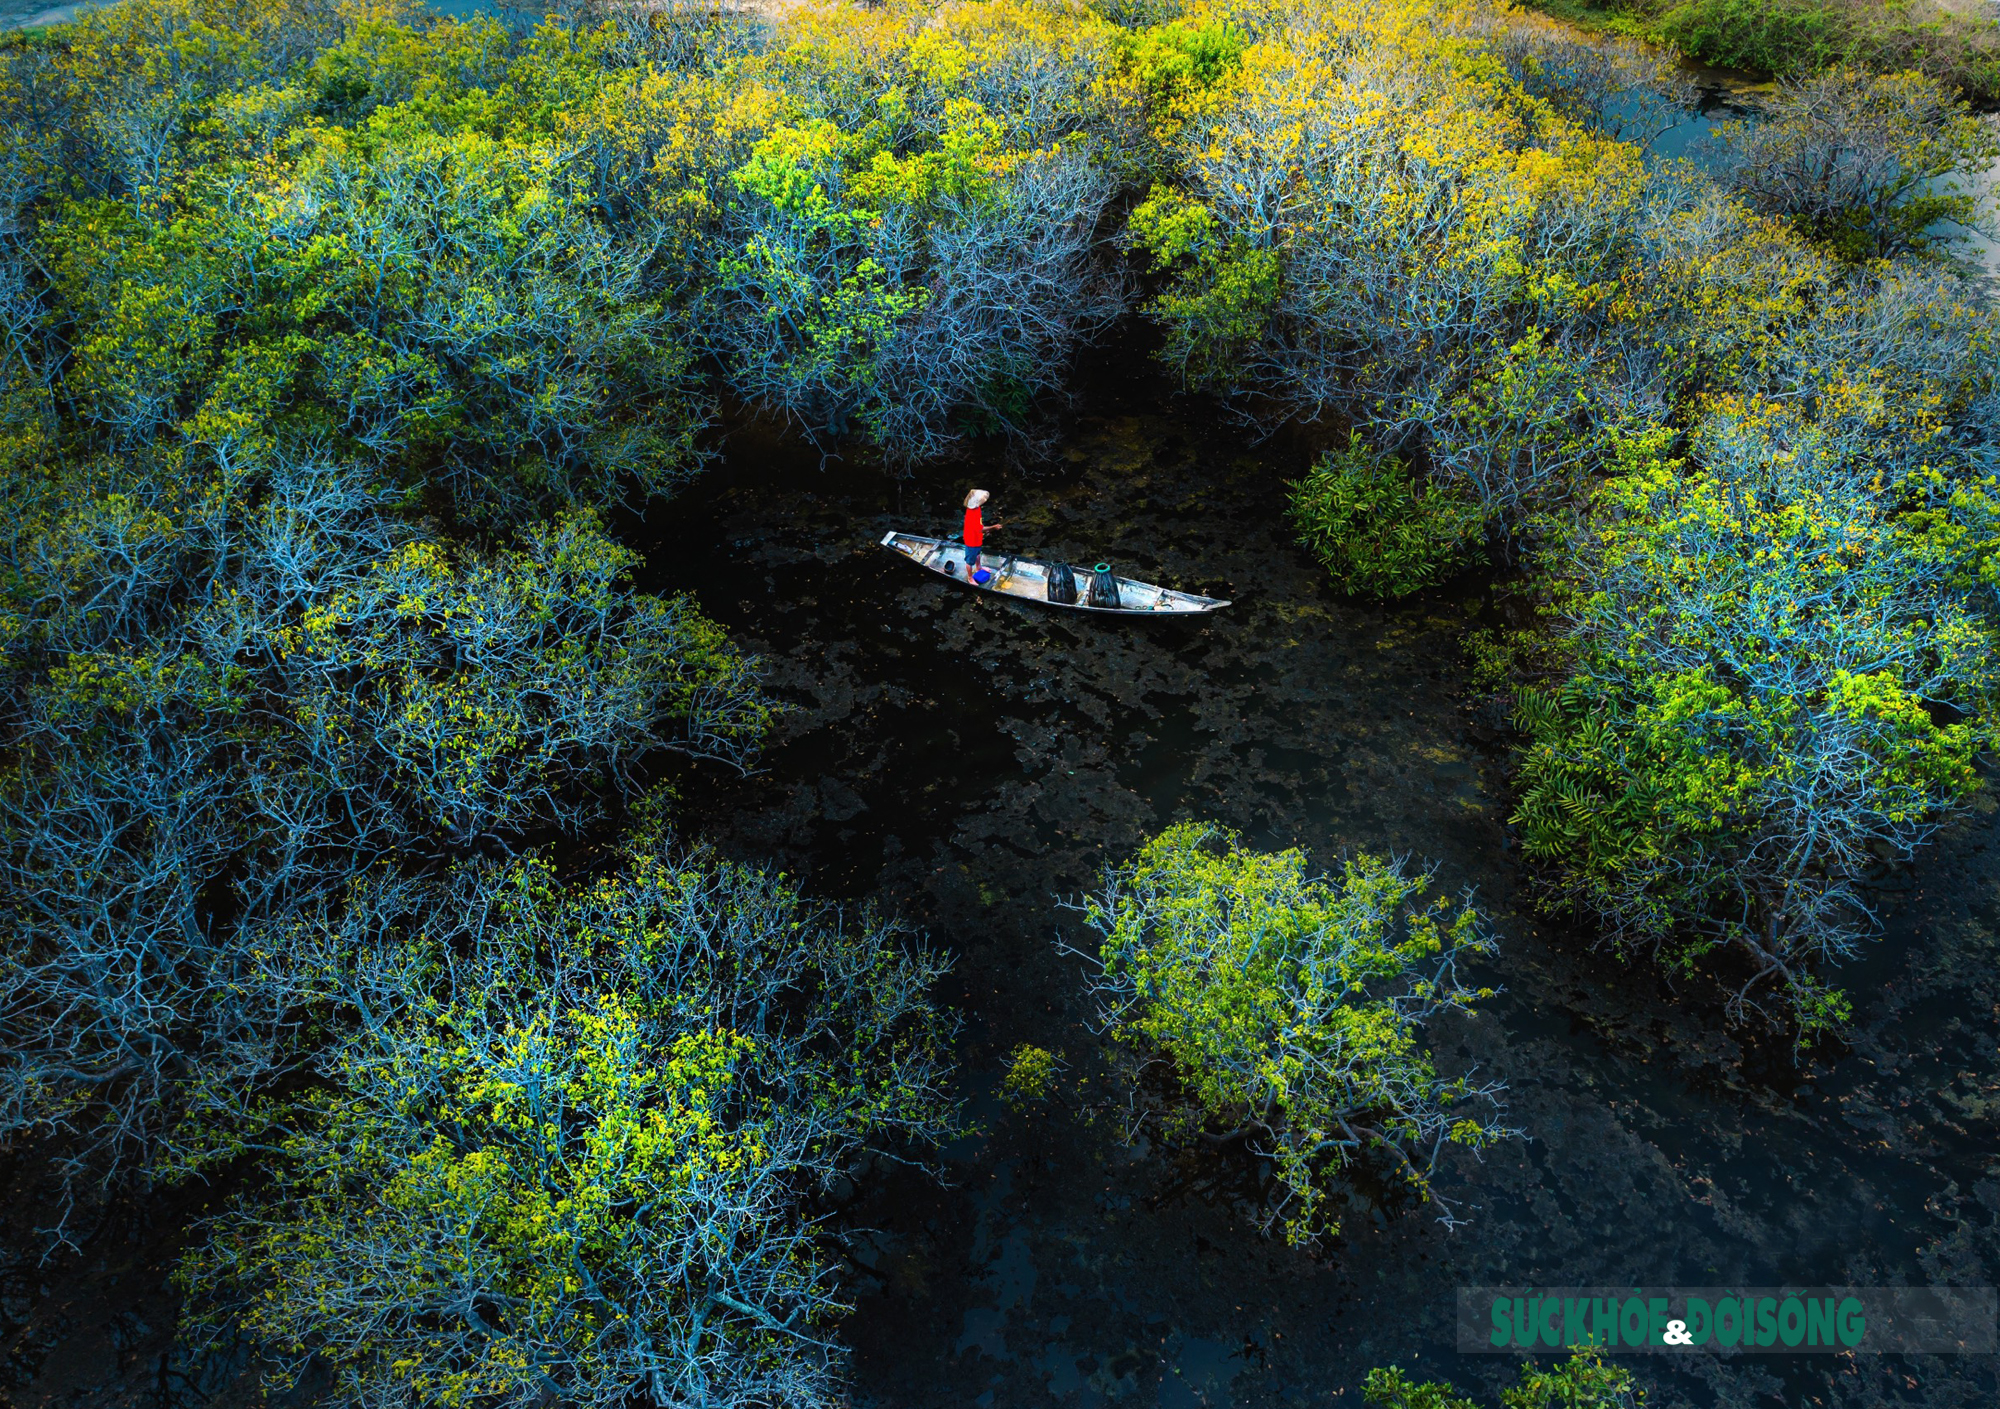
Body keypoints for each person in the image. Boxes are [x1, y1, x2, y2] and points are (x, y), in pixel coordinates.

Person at [962, 488, 1002, 585]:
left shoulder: (977, 508)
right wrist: (993, 527)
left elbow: (979, 526)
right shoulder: (972, 514)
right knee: (970, 560)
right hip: (971, 539)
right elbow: (980, 528)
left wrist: (985, 530)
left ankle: (979, 567)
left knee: (977, 553)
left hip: (977, 536)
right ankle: (970, 577)